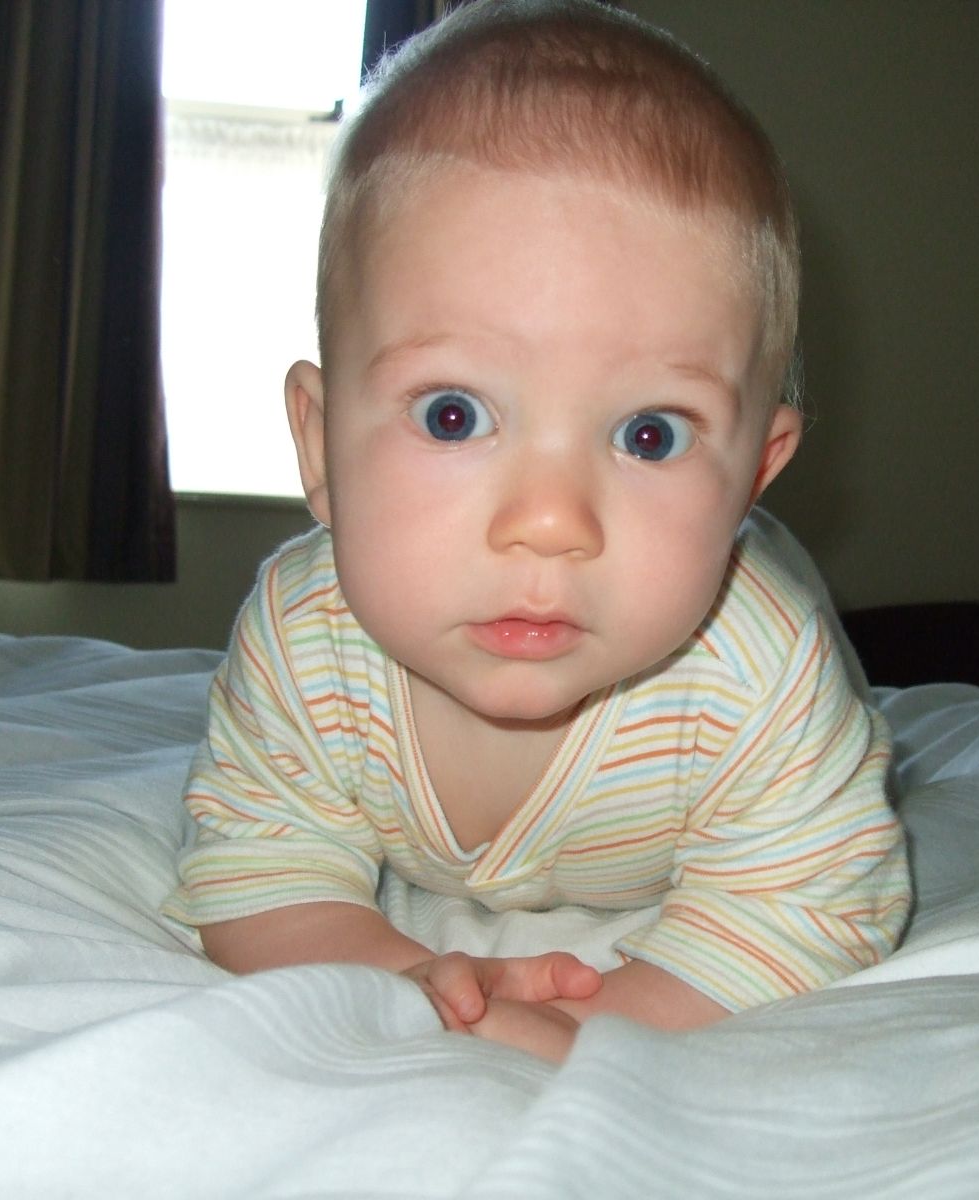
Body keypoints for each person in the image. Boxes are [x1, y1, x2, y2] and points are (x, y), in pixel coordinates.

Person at [162, 0, 910, 1063]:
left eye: (649, 435)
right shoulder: (303, 641)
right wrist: (403, 980)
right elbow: (256, 866)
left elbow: (809, 909)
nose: (550, 523)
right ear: (320, 447)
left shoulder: (760, 678)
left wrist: (587, 1027)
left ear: (752, 476)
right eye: (452, 415)